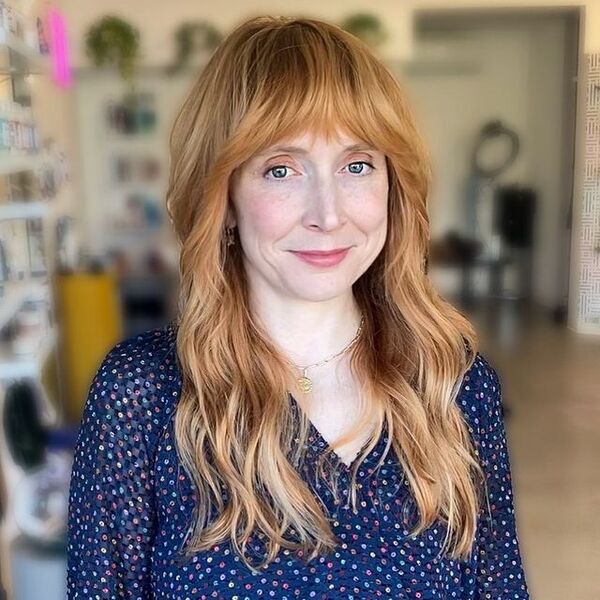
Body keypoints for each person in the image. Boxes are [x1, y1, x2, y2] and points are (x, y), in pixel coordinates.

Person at [66, 15, 530, 599]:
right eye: (281, 170)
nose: (328, 214)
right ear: (224, 198)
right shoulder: (143, 396)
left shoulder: (454, 388)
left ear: (393, 183)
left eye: (356, 165)